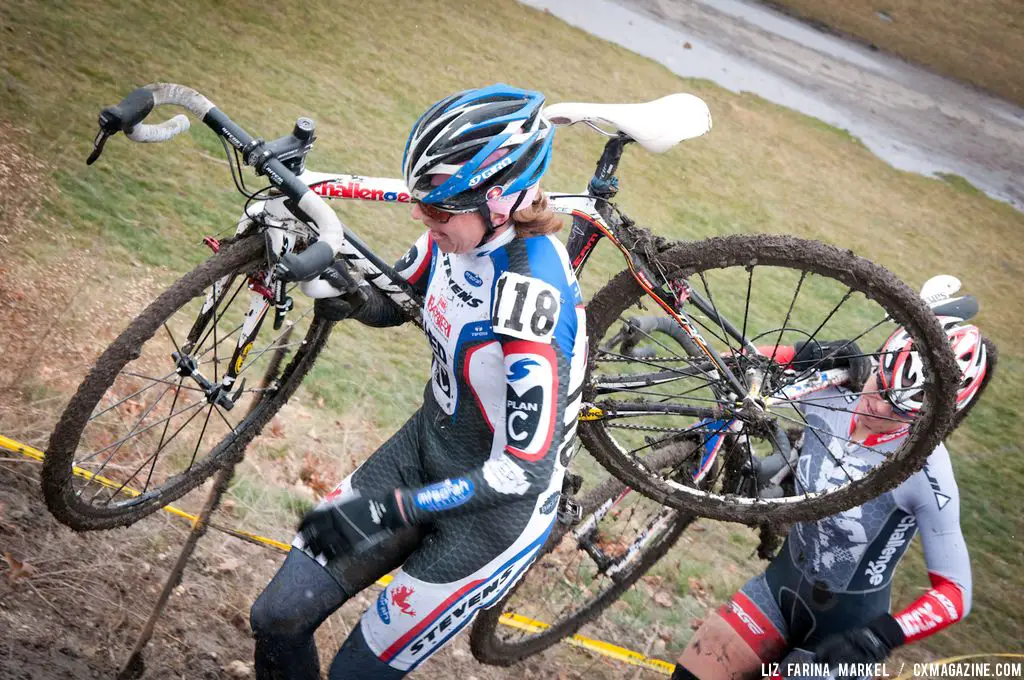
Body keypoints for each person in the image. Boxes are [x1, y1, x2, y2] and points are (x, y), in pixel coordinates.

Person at [249, 84, 587, 679]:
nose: (420, 215)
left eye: (436, 208)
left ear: (502, 201)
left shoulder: (530, 296)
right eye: (420, 200)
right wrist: (342, 291)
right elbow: (396, 303)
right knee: (277, 614)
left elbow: (520, 472)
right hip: (419, 457)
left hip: (493, 519)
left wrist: (397, 508)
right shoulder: (456, 231)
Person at [671, 319, 991, 680]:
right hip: (778, 592)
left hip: (848, 634)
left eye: (900, 411)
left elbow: (955, 593)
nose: (879, 408)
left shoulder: (927, 469)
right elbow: (739, 366)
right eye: (881, 387)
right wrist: (807, 353)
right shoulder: (835, 390)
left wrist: (881, 637)